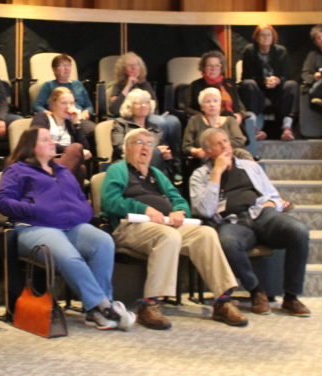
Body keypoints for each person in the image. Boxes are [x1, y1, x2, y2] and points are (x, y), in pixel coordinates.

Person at [100, 128, 246, 330]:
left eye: (149, 144)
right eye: (139, 143)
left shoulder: (157, 173)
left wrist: (180, 212)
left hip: (165, 224)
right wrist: (143, 209)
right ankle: (149, 304)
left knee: (205, 234)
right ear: (127, 148)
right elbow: (109, 201)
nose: (145, 148)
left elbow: (178, 199)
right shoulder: (118, 169)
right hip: (131, 225)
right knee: (168, 236)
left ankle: (222, 301)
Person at [0, 127, 136, 331]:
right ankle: (104, 306)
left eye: (52, 138)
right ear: (31, 146)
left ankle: (95, 312)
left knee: (103, 241)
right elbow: (3, 202)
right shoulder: (17, 170)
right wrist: (35, 209)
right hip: (34, 227)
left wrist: (84, 210)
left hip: (70, 226)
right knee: (69, 255)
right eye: (45, 140)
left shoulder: (62, 172)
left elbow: (81, 199)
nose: (52, 143)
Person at [189, 128, 311, 317]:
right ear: (208, 151)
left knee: (299, 230)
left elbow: (272, 194)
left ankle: (291, 297)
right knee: (228, 242)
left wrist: (273, 203)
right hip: (232, 222)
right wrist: (217, 172)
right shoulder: (199, 175)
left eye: (226, 141)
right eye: (218, 144)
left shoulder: (250, 166)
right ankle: (256, 291)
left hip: (261, 214)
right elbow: (205, 210)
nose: (225, 146)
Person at [106, 51, 181, 153]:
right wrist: (128, 86)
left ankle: (172, 155)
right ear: (123, 69)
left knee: (173, 121)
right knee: (160, 122)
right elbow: (114, 109)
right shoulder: (118, 86)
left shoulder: (145, 84)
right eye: (130, 65)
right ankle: (155, 151)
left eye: (136, 65)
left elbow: (153, 105)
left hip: (146, 115)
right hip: (128, 116)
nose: (134, 68)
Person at [238, 24, 298, 140]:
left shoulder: (281, 51)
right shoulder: (249, 51)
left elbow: (286, 75)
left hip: (277, 90)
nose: (265, 38)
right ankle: (253, 127)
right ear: (257, 37)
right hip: (257, 90)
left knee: (292, 85)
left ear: (273, 37)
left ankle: (287, 127)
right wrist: (263, 81)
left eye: (268, 35)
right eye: (262, 35)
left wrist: (277, 80)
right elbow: (246, 76)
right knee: (248, 84)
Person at [30, 86, 91, 186]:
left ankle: (56, 188)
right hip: (45, 160)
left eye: (71, 103)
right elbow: (39, 141)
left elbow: (85, 149)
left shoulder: (70, 124)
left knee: (81, 168)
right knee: (76, 153)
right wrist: (70, 150)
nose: (68, 107)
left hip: (67, 162)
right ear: (53, 104)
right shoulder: (42, 117)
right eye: (64, 103)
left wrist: (76, 123)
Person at [32, 54, 95, 146]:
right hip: (59, 119)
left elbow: (89, 106)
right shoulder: (48, 86)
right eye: (62, 65)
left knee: (92, 130)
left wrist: (86, 112)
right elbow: (37, 105)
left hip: (78, 118)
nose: (66, 68)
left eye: (68, 65)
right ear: (54, 69)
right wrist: (50, 113)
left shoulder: (78, 84)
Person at [111, 88, 172, 172]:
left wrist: (166, 155)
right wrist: (153, 151)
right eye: (138, 103)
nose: (143, 105)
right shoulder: (120, 123)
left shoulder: (155, 128)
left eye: (146, 102)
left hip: (153, 165)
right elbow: (120, 147)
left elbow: (162, 149)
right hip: (127, 164)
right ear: (130, 106)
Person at [182, 87, 249, 162]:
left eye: (215, 101)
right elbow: (186, 147)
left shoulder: (230, 120)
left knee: (242, 154)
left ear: (220, 105)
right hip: (205, 158)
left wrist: (217, 148)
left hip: (229, 156)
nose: (212, 104)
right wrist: (195, 151)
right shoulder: (195, 120)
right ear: (202, 107)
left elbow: (240, 141)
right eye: (208, 101)